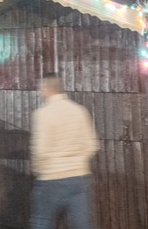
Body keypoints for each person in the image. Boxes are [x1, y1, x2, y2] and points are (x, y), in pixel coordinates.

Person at [29, 73, 99, 229]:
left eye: (41, 88)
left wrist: (39, 171)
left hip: (52, 176)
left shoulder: (43, 114)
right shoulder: (79, 111)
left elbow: (40, 150)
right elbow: (92, 145)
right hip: (79, 176)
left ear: (46, 88)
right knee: (83, 225)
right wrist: (78, 161)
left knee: (42, 222)